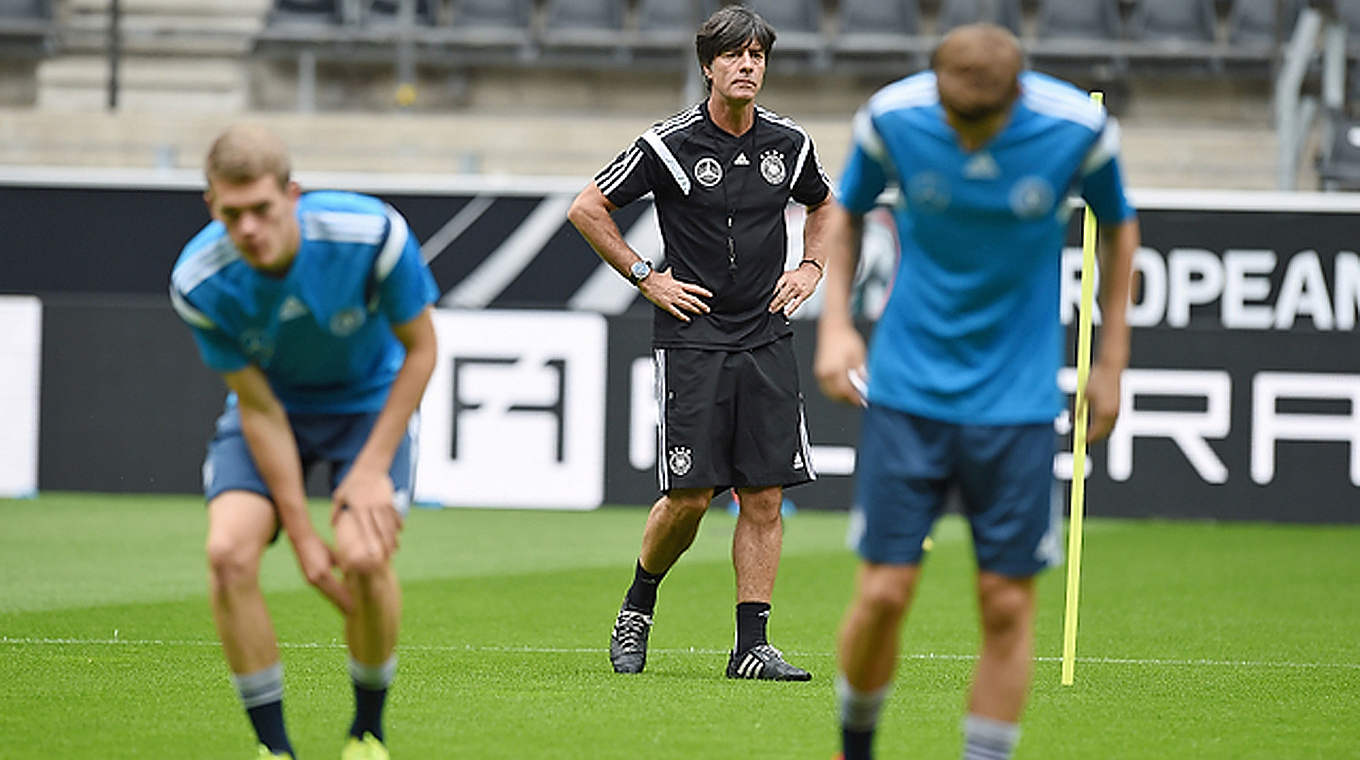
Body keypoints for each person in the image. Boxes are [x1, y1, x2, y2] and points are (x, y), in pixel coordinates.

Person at [815, 24, 1139, 760]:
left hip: (1017, 404)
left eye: (981, 125)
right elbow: (846, 212)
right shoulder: (892, 118)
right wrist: (835, 325)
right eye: (955, 122)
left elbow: (1121, 228)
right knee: (883, 595)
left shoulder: (1078, 132)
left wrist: (1112, 361)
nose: (965, 140)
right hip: (907, 393)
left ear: (1017, 96)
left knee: (1003, 604)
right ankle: (854, 747)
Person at [567, 4, 833, 681]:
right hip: (694, 336)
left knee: (765, 495)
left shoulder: (788, 144)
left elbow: (826, 204)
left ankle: (751, 646)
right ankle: (637, 605)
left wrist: (810, 266)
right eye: (734, 56)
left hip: (766, 331)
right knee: (691, 496)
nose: (748, 66)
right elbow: (587, 208)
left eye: (757, 56)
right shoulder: (669, 144)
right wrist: (645, 277)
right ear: (708, 67)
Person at [170, 124, 439, 759]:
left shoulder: (371, 234)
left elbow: (422, 352)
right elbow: (258, 408)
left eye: (262, 209)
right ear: (212, 206)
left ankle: (366, 733)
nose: (249, 230)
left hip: (368, 409)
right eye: (231, 215)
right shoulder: (199, 282)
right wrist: (301, 538)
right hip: (274, 412)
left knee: (366, 558)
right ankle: (274, 750)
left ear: (293, 194)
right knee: (228, 554)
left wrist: (370, 470)